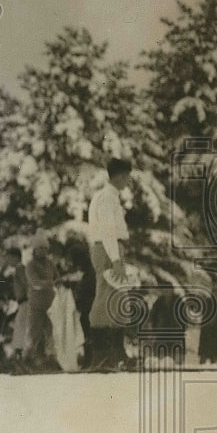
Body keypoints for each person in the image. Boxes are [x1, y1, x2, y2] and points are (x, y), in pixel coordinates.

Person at [86, 158, 132, 369]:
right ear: (120, 176)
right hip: (107, 249)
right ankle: (101, 353)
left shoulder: (110, 198)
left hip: (112, 248)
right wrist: (115, 259)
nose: (128, 181)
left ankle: (116, 352)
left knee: (117, 297)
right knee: (106, 297)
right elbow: (107, 231)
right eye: (126, 177)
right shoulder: (106, 198)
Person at [26, 231, 59, 370]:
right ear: (35, 250)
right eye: (40, 248)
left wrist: (57, 282)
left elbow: (57, 277)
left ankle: (51, 358)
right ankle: (35, 357)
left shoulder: (50, 263)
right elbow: (34, 282)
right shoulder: (31, 265)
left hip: (50, 303)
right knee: (36, 331)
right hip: (36, 304)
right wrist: (49, 283)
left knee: (51, 331)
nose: (43, 251)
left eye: (45, 248)